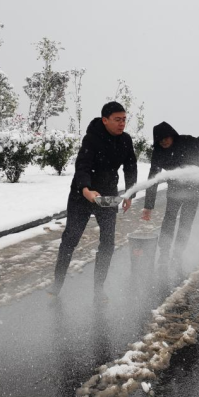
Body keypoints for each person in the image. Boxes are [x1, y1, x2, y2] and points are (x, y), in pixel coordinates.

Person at [49, 101, 137, 296]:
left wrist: (130, 193)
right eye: (117, 120)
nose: (122, 124)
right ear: (105, 120)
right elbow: (83, 166)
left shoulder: (125, 140)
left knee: (108, 242)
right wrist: (86, 190)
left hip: (107, 196)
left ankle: (99, 287)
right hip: (82, 194)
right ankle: (57, 284)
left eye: (124, 119)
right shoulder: (92, 139)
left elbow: (130, 166)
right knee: (70, 239)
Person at [141, 122, 199, 272]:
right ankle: (164, 254)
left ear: (172, 135)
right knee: (169, 220)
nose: (164, 142)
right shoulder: (159, 152)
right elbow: (152, 178)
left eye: (166, 138)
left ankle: (178, 254)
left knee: (186, 223)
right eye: (160, 140)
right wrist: (148, 205)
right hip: (175, 190)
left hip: (194, 188)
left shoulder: (189, 142)